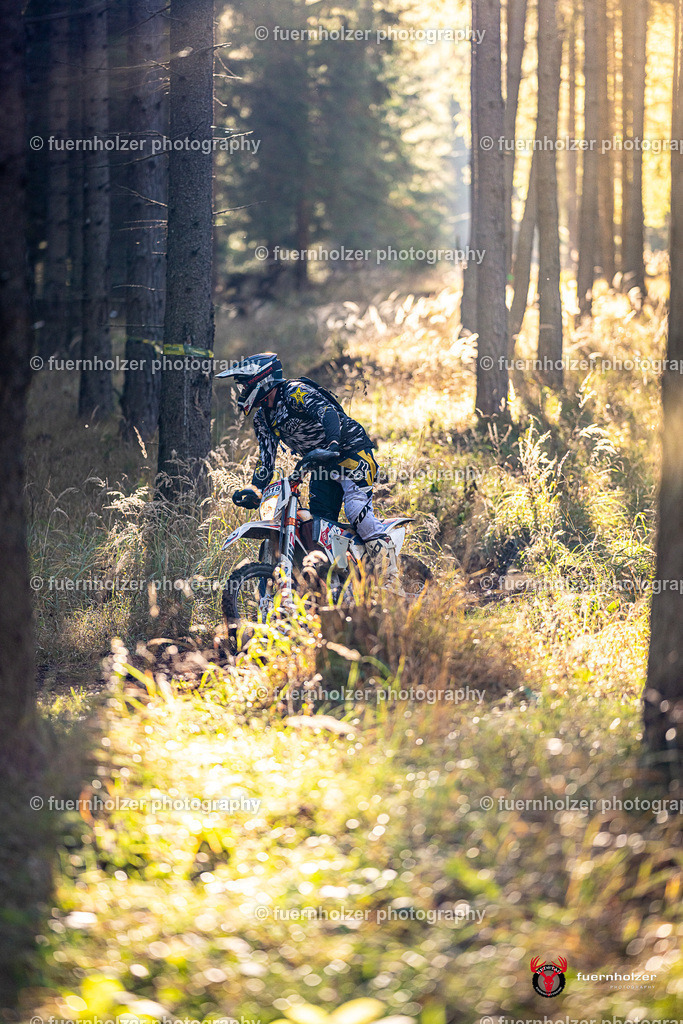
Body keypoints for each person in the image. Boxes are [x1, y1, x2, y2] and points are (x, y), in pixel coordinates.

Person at [216, 352, 399, 581]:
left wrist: (332, 444)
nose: (243, 393)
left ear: (262, 380)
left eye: (245, 386)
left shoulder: (294, 391)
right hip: (321, 465)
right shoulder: (263, 418)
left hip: (351, 452)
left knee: (355, 510)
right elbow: (266, 461)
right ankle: (339, 580)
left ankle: (392, 577)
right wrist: (255, 489)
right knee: (319, 529)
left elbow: (327, 412)